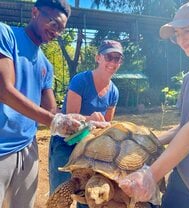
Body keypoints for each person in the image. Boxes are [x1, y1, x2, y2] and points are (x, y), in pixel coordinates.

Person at [118, 1, 189, 208]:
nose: (181, 38)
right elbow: (185, 125)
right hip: (182, 176)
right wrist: (147, 141)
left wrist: (150, 175)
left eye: (188, 30)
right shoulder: (188, 79)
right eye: (177, 33)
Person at [0, 0, 87, 208]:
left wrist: (78, 120)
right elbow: (4, 90)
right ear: (35, 12)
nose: (56, 32)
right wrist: (53, 120)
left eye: (61, 29)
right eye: (53, 23)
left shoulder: (45, 65)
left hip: (28, 148)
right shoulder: (6, 35)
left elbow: (51, 110)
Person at [49, 40, 123, 199]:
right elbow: (68, 120)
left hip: (90, 148)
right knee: (60, 194)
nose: (113, 62)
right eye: (109, 57)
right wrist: (90, 119)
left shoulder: (114, 92)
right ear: (98, 58)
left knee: (88, 196)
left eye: (117, 59)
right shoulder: (80, 80)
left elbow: (105, 127)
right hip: (66, 143)